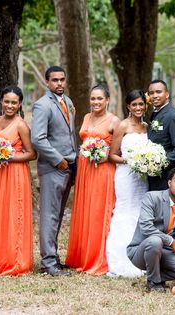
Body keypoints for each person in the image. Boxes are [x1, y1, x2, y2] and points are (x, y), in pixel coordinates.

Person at [0, 86, 36, 275]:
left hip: (15, 175)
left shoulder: (21, 125)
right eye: (6, 101)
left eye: (14, 102)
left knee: (13, 215)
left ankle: (14, 260)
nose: (9, 105)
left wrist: (5, 156)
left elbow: (31, 154)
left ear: (20, 104)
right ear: (1, 101)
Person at [65, 85, 120, 275]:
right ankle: (82, 255)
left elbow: (119, 151)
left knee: (98, 212)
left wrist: (103, 155)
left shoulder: (114, 121)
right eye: (93, 98)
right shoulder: (87, 117)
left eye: (99, 99)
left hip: (102, 171)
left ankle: (98, 258)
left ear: (107, 100)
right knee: (85, 210)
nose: (95, 102)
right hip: (85, 170)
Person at [31, 66, 78, 277]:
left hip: (69, 166)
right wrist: (58, 160)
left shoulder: (67, 102)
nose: (59, 83)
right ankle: (48, 262)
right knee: (49, 215)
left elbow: (69, 134)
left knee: (58, 215)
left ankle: (54, 257)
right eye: (54, 80)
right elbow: (38, 139)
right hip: (53, 168)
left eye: (62, 79)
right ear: (47, 83)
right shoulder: (42, 105)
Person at [127, 166, 175, 292]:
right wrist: (171, 242)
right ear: (169, 182)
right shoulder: (151, 197)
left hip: (164, 252)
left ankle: (156, 275)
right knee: (155, 241)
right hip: (141, 250)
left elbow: (174, 233)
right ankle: (154, 282)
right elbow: (146, 227)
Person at [106, 90, 148, 277]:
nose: (138, 108)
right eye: (134, 105)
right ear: (128, 107)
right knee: (125, 211)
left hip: (143, 177)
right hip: (125, 175)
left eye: (141, 104)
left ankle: (140, 258)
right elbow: (112, 155)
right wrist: (132, 162)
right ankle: (121, 260)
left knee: (140, 211)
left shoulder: (147, 127)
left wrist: (146, 163)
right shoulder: (123, 126)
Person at [147, 80, 175, 191]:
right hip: (153, 177)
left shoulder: (174, 116)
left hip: (166, 176)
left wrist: (159, 164)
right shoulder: (155, 114)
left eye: (158, 92)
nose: (154, 96)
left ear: (167, 94)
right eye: (151, 93)